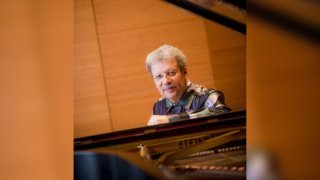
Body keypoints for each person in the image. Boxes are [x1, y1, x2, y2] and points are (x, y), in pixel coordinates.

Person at [145, 44, 231, 126]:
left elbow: (222, 112)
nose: (165, 81)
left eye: (171, 73)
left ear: (184, 72)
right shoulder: (158, 107)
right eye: (159, 76)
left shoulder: (207, 97)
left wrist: (171, 119)